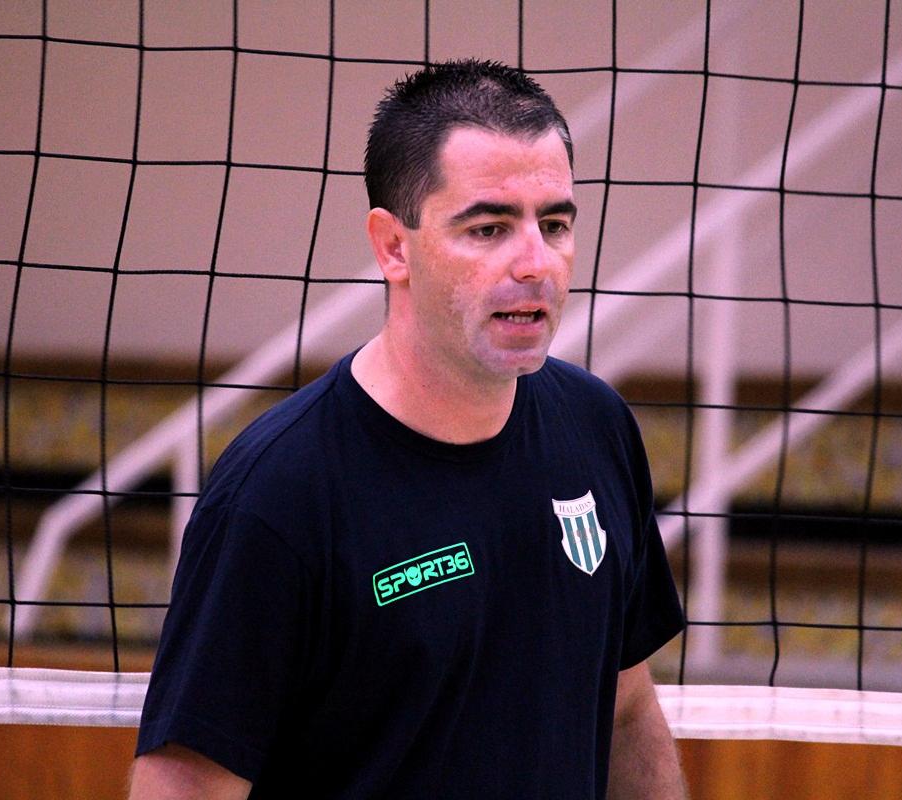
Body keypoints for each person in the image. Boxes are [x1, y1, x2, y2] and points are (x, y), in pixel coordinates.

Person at [129, 59, 687, 800]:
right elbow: (184, 785)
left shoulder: (597, 428)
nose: (536, 263)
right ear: (393, 247)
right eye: (488, 228)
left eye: (554, 224)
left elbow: (626, 710)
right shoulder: (280, 492)